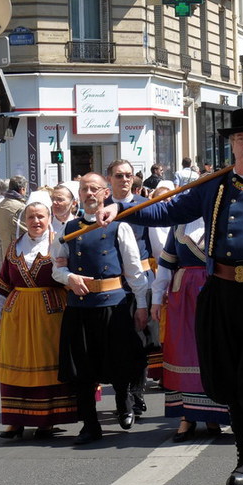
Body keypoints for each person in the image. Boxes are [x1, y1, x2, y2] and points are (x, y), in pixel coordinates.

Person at [95, 107, 243, 485]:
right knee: (231, 383)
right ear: (231, 144)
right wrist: (123, 203)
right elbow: (166, 210)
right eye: (241, 139)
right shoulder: (213, 186)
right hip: (223, 294)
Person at [52, 173, 149, 444]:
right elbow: (56, 266)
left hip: (113, 305)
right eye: (85, 189)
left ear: (106, 193)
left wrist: (141, 304)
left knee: (119, 362)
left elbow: (134, 271)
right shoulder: (68, 229)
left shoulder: (120, 227)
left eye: (95, 189)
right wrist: (69, 278)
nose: (90, 194)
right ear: (79, 195)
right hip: (80, 308)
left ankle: (124, 403)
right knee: (83, 369)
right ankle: (90, 425)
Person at [0, 200, 78, 439]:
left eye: (40, 216)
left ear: (49, 218)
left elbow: (69, 277)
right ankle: (15, 420)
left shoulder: (58, 244)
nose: (36, 221)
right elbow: (2, 283)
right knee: (16, 366)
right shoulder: (13, 247)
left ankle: (46, 420)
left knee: (47, 366)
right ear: (24, 220)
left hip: (50, 314)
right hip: (16, 315)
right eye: (31, 217)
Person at [151, 219, 229, 442]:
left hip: (217, 290)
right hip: (183, 294)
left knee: (213, 352)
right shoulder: (179, 224)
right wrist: (157, 299)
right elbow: (166, 263)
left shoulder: (221, 216)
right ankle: (187, 415)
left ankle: (214, 414)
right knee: (184, 352)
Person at [107, 159, 158, 415]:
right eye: (119, 175)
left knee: (140, 341)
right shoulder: (102, 209)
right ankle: (122, 393)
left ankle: (137, 393)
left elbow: (156, 245)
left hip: (142, 280)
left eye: (128, 175)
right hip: (114, 284)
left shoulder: (144, 205)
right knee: (117, 343)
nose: (124, 180)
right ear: (110, 179)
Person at [0, 175, 28, 256]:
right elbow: (29, 230)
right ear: (22, 189)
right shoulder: (20, 207)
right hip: (18, 251)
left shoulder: (1, 204)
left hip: (6, 249)